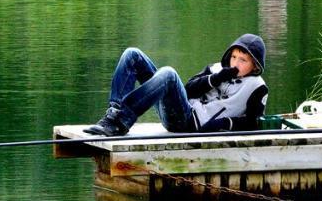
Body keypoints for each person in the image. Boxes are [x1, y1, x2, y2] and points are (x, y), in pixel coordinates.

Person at [84, 34, 268, 136]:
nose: (235, 63)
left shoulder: (257, 87)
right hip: (181, 111)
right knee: (132, 54)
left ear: (255, 66)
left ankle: (122, 121)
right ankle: (114, 115)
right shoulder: (217, 68)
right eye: (234, 57)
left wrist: (224, 123)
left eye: (243, 60)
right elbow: (187, 90)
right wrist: (215, 78)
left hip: (191, 125)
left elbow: (254, 123)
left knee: (169, 74)